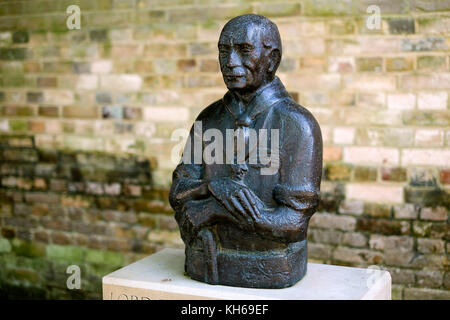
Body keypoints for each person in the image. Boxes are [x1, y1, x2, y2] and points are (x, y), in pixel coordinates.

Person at [169, 14, 323, 288]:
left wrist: (216, 210)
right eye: (224, 51)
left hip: (273, 269)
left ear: (272, 60)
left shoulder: (299, 126)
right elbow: (180, 191)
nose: (230, 62)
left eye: (244, 50)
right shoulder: (208, 119)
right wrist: (214, 187)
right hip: (204, 264)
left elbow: (293, 223)